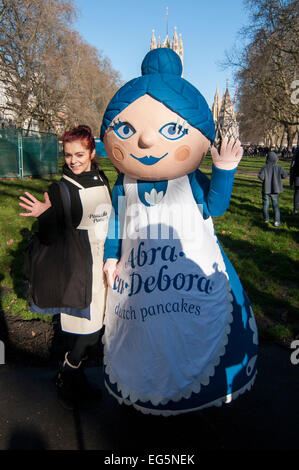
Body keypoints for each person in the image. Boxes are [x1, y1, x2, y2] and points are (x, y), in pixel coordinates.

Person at [100, 48, 258, 416]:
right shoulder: (124, 183)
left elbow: (215, 206)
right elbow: (115, 221)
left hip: (192, 281)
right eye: (126, 130)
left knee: (193, 335)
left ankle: (197, 401)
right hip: (138, 280)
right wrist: (110, 254)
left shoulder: (190, 180)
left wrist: (224, 170)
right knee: (144, 338)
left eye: (172, 129)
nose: (147, 142)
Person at [19, 125, 111, 409]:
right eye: (69, 154)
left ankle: (75, 376)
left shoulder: (103, 177)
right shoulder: (60, 188)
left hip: (106, 260)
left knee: (101, 327)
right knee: (90, 330)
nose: (73, 160)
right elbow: (49, 237)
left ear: (92, 152)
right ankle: (68, 374)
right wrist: (44, 216)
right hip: (82, 267)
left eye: (80, 154)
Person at [258, 151, 288, 226]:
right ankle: (277, 221)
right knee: (276, 205)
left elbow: (261, 177)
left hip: (266, 189)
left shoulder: (264, 167)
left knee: (266, 205)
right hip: (275, 189)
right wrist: (278, 177)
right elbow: (285, 175)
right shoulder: (279, 167)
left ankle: (266, 219)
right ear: (276, 159)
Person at [290, 146, 299, 214]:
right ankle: (295, 209)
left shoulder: (296, 151)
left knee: (297, 193)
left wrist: (291, 179)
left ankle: (295, 209)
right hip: (297, 176)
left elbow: (292, 166)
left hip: (297, 176)